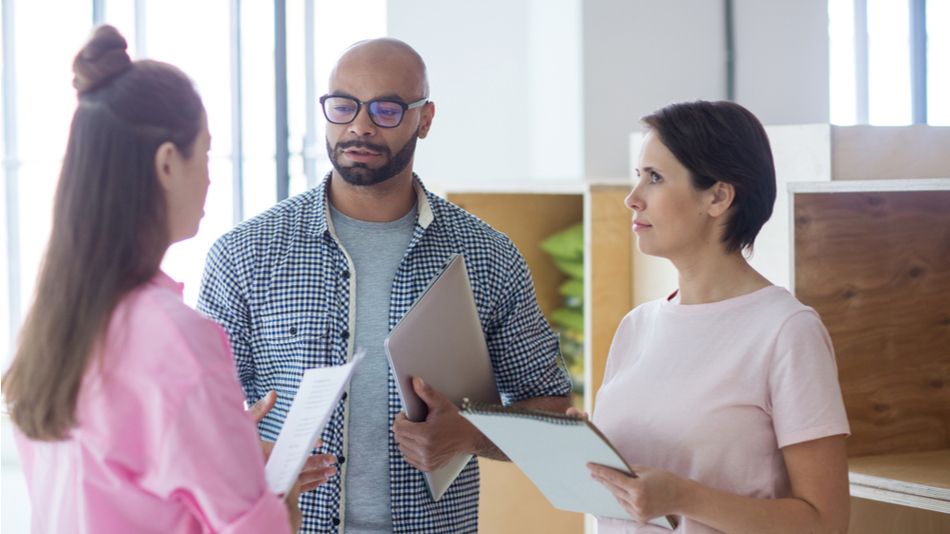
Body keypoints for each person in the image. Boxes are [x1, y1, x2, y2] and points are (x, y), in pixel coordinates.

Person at [197, 37, 572, 533]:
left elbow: (554, 415)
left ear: (426, 118)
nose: (359, 125)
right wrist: (237, 456)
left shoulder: (488, 257)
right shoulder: (244, 255)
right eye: (344, 105)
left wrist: (469, 433)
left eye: (387, 109)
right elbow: (191, 423)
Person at [2, 26, 335, 533]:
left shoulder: (56, 325)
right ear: (166, 163)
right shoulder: (177, 340)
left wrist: (220, 443)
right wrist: (273, 495)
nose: (209, 175)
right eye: (204, 153)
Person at [583, 100, 851, 534]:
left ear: (718, 196)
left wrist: (684, 497)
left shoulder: (786, 331)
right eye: (639, 177)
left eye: (655, 178)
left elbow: (826, 522)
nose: (633, 199)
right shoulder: (637, 327)